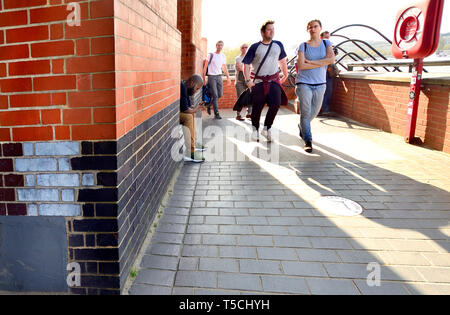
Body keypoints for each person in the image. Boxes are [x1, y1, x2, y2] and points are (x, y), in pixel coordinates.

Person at [243, 20, 288, 142]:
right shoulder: (254, 47)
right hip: (258, 82)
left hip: (274, 80)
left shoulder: (278, 44)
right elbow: (246, 65)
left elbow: (283, 60)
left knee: (276, 104)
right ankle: (255, 130)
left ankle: (267, 128)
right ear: (262, 32)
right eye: (269, 29)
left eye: (273, 29)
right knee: (257, 108)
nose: (272, 31)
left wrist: (285, 73)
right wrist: (248, 81)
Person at [296, 20, 336, 153]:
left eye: (315, 26)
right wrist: (322, 63)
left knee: (314, 112)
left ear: (320, 28)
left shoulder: (326, 43)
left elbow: (331, 60)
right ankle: (308, 140)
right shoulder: (303, 46)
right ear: (307, 30)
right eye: (310, 27)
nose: (312, 29)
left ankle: (302, 126)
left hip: (320, 84)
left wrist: (311, 62)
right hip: (304, 83)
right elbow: (301, 66)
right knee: (306, 112)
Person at [202, 41, 232, 120]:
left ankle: (208, 105)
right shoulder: (211, 55)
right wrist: (204, 78)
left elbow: (224, 67)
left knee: (220, 94)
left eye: (221, 45)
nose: (220, 47)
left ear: (222, 46)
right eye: (218, 45)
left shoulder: (223, 56)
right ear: (216, 46)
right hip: (211, 77)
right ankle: (216, 113)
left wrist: (228, 77)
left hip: (219, 77)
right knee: (215, 95)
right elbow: (205, 67)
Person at [180, 74, 206, 163]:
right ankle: (189, 152)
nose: (196, 91)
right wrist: (195, 109)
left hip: (179, 111)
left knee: (192, 114)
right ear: (191, 83)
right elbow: (186, 110)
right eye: (197, 88)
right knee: (188, 117)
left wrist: (196, 107)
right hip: (174, 113)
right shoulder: (182, 87)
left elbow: (189, 106)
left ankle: (194, 143)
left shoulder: (186, 88)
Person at [319, 31, 338, 117]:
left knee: (328, 91)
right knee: (319, 91)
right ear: (321, 37)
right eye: (326, 37)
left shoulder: (330, 46)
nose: (328, 39)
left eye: (328, 37)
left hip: (328, 72)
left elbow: (332, 58)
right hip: (320, 72)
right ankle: (318, 110)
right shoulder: (317, 46)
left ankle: (325, 110)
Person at [235, 43, 251, 121]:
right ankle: (238, 115)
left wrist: (245, 67)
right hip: (240, 81)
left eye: (246, 47)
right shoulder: (238, 58)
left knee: (250, 96)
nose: (245, 49)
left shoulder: (251, 57)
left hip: (249, 80)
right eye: (243, 47)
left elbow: (253, 68)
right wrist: (248, 68)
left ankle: (249, 114)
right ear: (240, 49)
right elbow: (239, 67)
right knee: (240, 98)